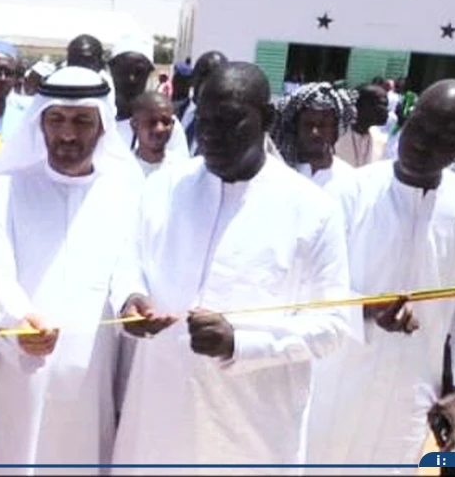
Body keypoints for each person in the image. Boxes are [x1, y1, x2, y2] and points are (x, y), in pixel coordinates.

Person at [109, 62, 360, 473]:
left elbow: (332, 324)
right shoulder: (165, 187)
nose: (210, 135)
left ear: (268, 118)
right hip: (159, 416)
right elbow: (129, 259)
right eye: (203, 120)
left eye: (228, 121)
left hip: (252, 430)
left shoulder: (311, 208)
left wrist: (239, 344)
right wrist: (130, 299)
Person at [0, 66, 145, 473]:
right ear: (39, 122)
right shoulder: (5, 191)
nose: (67, 135)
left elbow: (130, 268)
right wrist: (21, 320)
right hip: (15, 373)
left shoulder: (125, 193)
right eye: (55, 120)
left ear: (103, 127)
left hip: (91, 382)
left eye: (81, 121)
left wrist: (133, 300)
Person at [306, 79, 455, 473]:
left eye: (444, 136)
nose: (423, 142)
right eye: (420, 125)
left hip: (407, 400)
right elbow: (307, 287)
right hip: (331, 386)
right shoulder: (348, 194)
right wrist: (367, 310)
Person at [110, 38, 190, 166]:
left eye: (139, 72)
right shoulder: (97, 121)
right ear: (112, 69)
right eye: (125, 70)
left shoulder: (165, 125)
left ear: (149, 73)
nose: (131, 79)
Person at [273, 82, 357, 188]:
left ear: (335, 130)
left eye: (323, 126)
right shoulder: (277, 174)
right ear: (295, 127)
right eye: (308, 125)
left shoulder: (349, 180)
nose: (315, 132)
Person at [129, 92, 187, 176]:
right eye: (151, 122)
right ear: (134, 126)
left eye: (165, 122)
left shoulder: (184, 170)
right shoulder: (119, 169)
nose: (159, 129)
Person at [334, 83, 390, 167]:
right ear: (361, 105)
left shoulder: (380, 138)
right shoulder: (336, 136)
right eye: (382, 104)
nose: (387, 110)